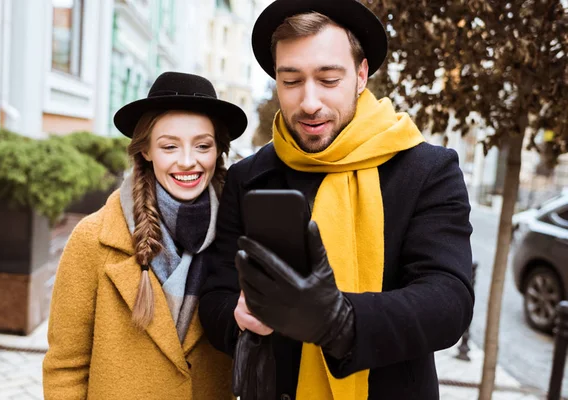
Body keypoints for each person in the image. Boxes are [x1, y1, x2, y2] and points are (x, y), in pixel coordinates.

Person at [198, 0, 474, 399]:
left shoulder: (427, 170)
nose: (309, 102)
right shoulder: (249, 176)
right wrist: (238, 316)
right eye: (291, 81)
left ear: (361, 75)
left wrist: (339, 320)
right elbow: (215, 296)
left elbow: (449, 301)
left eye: (328, 79)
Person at [42, 72, 247, 400]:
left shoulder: (237, 235)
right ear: (146, 150)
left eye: (202, 145)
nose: (187, 161)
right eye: (169, 146)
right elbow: (66, 366)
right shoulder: (93, 239)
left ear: (219, 151)